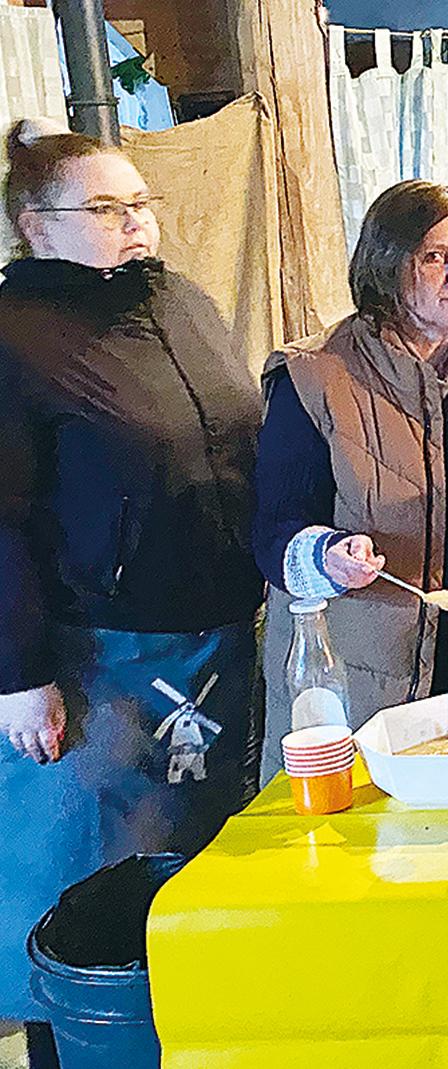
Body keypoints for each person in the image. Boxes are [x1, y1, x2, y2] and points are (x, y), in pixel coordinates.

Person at [0, 120, 263, 1057]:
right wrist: (17, 673)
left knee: (196, 865)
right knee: (92, 880)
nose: (135, 222)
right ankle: (79, 1046)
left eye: (141, 203)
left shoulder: (179, 301)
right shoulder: (15, 334)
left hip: (215, 637)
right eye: (106, 208)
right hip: (97, 656)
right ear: (35, 226)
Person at [254, 180, 448, 772]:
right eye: (435, 257)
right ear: (387, 267)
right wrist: (327, 556)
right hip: (361, 683)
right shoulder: (315, 377)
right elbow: (274, 532)